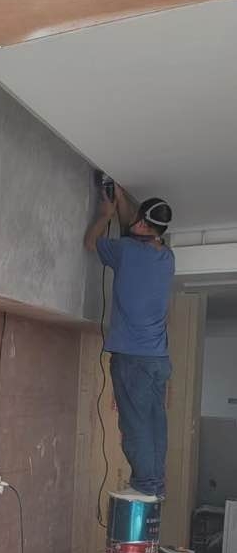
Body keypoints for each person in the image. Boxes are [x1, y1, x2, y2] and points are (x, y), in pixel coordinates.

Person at [84, 187, 175, 500]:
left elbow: (91, 243)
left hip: (137, 359)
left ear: (144, 226)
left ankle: (148, 485)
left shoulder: (127, 251)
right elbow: (132, 233)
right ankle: (153, 483)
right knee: (153, 422)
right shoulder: (165, 256)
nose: (133, 222)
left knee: (136, 425)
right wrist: (122, 199)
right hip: (154, 359)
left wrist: (104, 215)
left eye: (138, 219)